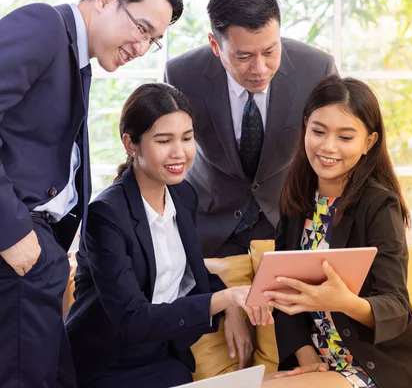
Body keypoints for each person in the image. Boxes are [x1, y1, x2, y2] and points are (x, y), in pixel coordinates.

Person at [0, 0, 183, 386]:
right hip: (16, 247)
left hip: (39, 253)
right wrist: (11, 230)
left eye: (153, 40)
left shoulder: (77, 58)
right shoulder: (45, 26)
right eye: (141, 27)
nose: (141, 45)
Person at [65, 83, 273, 388]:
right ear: (131, 144)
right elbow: (132, 320)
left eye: (187, 138)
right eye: (164, 140)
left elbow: (190, 271)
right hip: (108, 363)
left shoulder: (182, 194)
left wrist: (231, 306)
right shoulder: (105, 215)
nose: (180, 153)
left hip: (164, 355)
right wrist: (222, 299)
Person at [262, 75, 412, 388]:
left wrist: (343, 300)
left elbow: (396, 307)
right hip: (321, 363)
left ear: (369, 142)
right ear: (305, 127)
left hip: (374, 366)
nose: (328, 147)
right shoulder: (296, 199)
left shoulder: (379, 205)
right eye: (318, 131)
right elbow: (285, 298)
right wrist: (309, 360)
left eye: (345, 137)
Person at [165, 0, 338, 261]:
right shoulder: (182, 74)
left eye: (270, 51)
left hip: (288, 220)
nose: (260, 68)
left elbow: (335, 152)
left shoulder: (317, 69)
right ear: (215, 45)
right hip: (210, 224)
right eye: (243, 57)